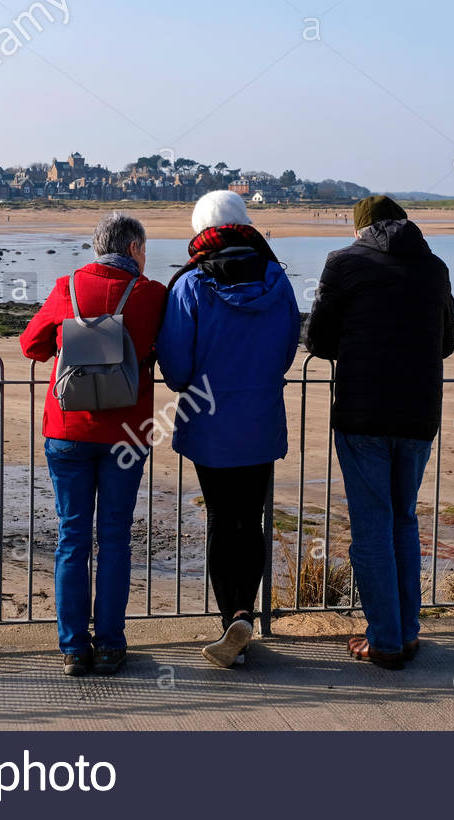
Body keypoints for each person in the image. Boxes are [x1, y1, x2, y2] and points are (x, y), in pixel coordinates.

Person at [304, 196, 454, 670]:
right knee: (403, 522)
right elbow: (447, 341)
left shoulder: (343, 263)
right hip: (418, 415)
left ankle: (385, 639)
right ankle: (406, 632)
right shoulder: (434, 267)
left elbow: (319, 340)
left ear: (360, 228)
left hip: (363, 414)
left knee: (372, 529)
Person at [156, 190, 301, 669]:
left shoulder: (191, 284)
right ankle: (244, 613)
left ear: (199, 229)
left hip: (209, 425)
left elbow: (176, 369)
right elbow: (286, 351)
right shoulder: (278, 279)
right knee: (251, 517)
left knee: (222, 518)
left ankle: (231, 619)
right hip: (260, 419)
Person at [19, 212, 167, 676]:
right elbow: (177, 350)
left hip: (68, 430)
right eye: (144, 250)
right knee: (116, 538)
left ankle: (72, 648)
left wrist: (67, 347)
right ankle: (108, 645)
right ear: (134, 249)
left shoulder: (67, 287)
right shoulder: (152, 295)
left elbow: (31, 345)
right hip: (126, 433)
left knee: (72, 537)